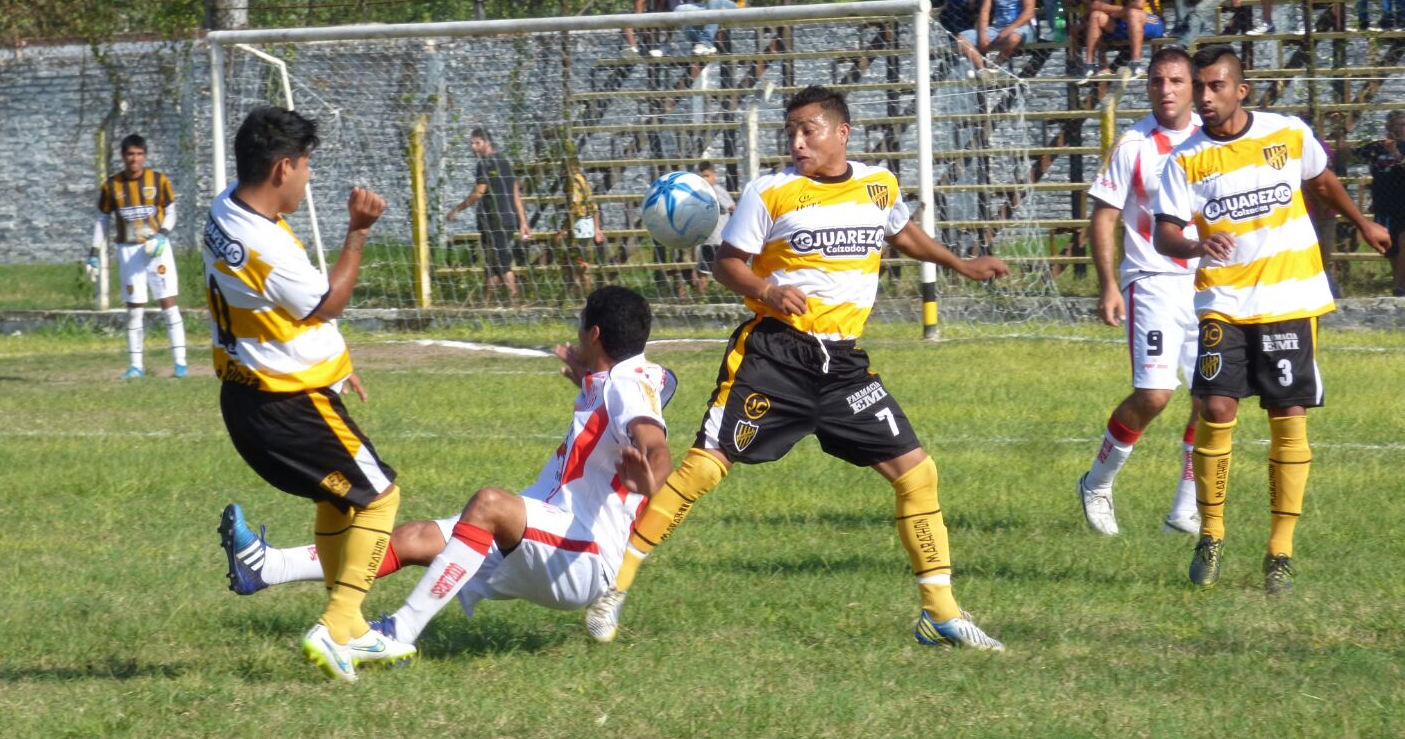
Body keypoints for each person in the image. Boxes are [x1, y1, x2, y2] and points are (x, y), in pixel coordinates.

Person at [585, 85, 1011, 650]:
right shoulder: (772, 192)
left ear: (842, 132)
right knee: (705, 470)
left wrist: (959, 263)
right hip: (774, 356)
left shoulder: (878, 184)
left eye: (807, 129)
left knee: (917, 473)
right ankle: (611, 590)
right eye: (791, 131)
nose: (796, 141)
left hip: (844, 366)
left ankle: (940, 613)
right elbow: (727, 264)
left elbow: (899, 231)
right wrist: (767, 288)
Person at [218, 286, 675, 652]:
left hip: (583, 555)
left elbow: (653, 444)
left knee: (489, 505)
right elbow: (618, 410)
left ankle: (396, 634)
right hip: (556, 531)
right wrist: (587, 380)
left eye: (580, 329)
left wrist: (649, 479)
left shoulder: (624, 385)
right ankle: (267, 567)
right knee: (413, 538)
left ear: (594, 334)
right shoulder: (617, 378)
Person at [1153, 46, 1390, 594]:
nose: (1205, 98)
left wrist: (1366, 223)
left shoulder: (1288, 134)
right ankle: (1210, 534)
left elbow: (1323, 181)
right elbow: (1166, 232)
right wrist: (1196, 242)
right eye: (1199, 87)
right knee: (1215, 405)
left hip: (1288, 300)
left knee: (1287, 414)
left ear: (1241, 89)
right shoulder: (1184, 159)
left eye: (1215, 87)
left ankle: (1279, 550)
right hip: (1223, 302)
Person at [202, 105, 411, 681]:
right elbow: (328, 303)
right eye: (306, 165)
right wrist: (358, 234)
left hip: (247, 397)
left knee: (337, 499)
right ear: (282, 168)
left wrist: (335, 362)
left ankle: (357, 630)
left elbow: (284, 321)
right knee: (380, 498)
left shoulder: (225, 210)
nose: (309, 177)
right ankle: (336, 624)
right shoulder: (267, 247)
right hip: (288, 404)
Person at [1077, 47, 1203, 537]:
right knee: (1154, 395)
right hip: (1151, 281)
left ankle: (1184, 510)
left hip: (1207, 286)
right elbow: (1104, 217)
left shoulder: (1211, 142)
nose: (1166, 90)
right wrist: (1109, 284)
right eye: (1156, 81)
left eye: (1175, 80)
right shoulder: (1133, 144)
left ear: (1193, 86)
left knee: (1211, 399)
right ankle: (1097, 481)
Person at [86, 133, 188, 379]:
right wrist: (94, 253)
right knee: (134, 309)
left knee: (169, 305)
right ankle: (136, 366)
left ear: (145, 156)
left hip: (157, 250)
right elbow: (102, 220)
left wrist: (163, 234)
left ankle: (180, 363)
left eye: (139, 154)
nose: (135, 159)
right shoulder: (112, 186)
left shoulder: (158, 180)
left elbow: (172, 211)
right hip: (129, 251)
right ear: (123, 157)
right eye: (130, 154)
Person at [446, 128, 531, 302]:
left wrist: (457, 209)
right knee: (492, 265)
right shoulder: (505, 162)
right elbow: (516, 195)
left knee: (502, 263)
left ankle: (516, 303)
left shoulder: (484, 164)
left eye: (477, 143)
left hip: (495, 220)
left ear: (487, 143)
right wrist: (522, 222)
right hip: (508, 220)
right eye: (471, 143)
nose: (473, 147)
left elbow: (479, 192)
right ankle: (486, 303)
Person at [1075, 0, 1163, 82]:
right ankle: (1089, 65)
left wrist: (1119, 11)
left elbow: (1139, 5)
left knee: (1133, 13)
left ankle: (1136, 64)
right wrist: (1119, 11)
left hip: (1151, 22)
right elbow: (1096, 5)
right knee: (1096, 16)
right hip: (1125, 24)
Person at [1354, 110, 1405, 296]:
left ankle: (1399, 288)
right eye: (1400, 124)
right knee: (1391, 249)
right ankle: (1399, 286)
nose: (1403, 128)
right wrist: (1340, 142)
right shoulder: (1376, 147)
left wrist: (1395, 153)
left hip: (1403, 203)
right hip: (1384, 205)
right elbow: (1352, 157)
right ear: (1389, 127)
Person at [691, 161, 736, 298]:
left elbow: (733, 208)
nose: (705, 179)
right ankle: (700, 300)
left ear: (714, 175)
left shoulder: (718, 191)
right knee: (702, 272)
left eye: (707, 176)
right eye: (701, 177)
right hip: (706, 241)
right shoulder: (697, 194)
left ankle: (735, 296)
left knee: (731, 270)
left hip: (721, 240)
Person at [561, 162, 606, 297]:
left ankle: (584, 296)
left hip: (580, 227)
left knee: (581, 265)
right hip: (581, 226)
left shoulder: (576, 182)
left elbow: (584, 207)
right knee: (578, 263)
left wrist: (597, 229)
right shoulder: (577, 182)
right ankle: (580, 295)